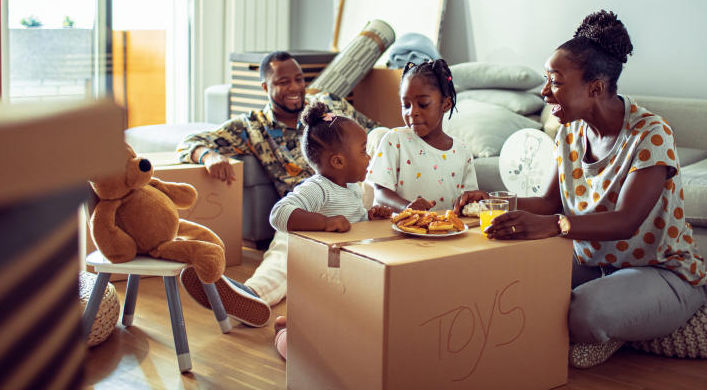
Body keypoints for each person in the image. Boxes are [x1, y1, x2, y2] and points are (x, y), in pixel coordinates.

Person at [455, 10, 707, 368]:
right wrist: (493, 201)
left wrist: (557, 225)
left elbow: (626, 221)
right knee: (507, 282)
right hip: (594, 262)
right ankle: (613, 312)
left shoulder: (651, 133)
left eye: (555, 82)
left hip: (662, 270)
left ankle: (614, 323)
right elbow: (547, 201)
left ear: (595, 88)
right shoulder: (569, 131)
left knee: (583, 314)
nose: (545, 92)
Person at [175, 51, 381, 327]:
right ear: (265, 87)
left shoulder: (328, 104)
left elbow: (376, 132)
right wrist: (210, 156)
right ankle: (250, 296)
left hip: (358, 187)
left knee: (383, 139)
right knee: (286, 239)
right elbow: (191, 140)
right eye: (284, 81)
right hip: (308, 204)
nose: (295, 87)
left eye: (299, 79)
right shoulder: (251, 126)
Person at [268, 101, 393, 359]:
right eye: (363, 152)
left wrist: (369, 218)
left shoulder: (351, 187)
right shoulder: (318, 188)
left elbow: (351, 225)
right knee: (308, 350)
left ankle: (290, 323)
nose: (369, 158)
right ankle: (284, 334)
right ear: (338, 161)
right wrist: (324, 223)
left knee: (344, 331)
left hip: (349, 277)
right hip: (321, 280)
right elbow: (278, 214)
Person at [367, 59, 481, 212]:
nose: (412, 112)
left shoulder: (462, 151)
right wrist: (407, 208)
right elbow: (380, 193)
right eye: (406, 105)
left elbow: (468, 199)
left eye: (423, 104)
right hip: (400, 230)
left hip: (443, 232)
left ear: (446, 104)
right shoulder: (394, 140)